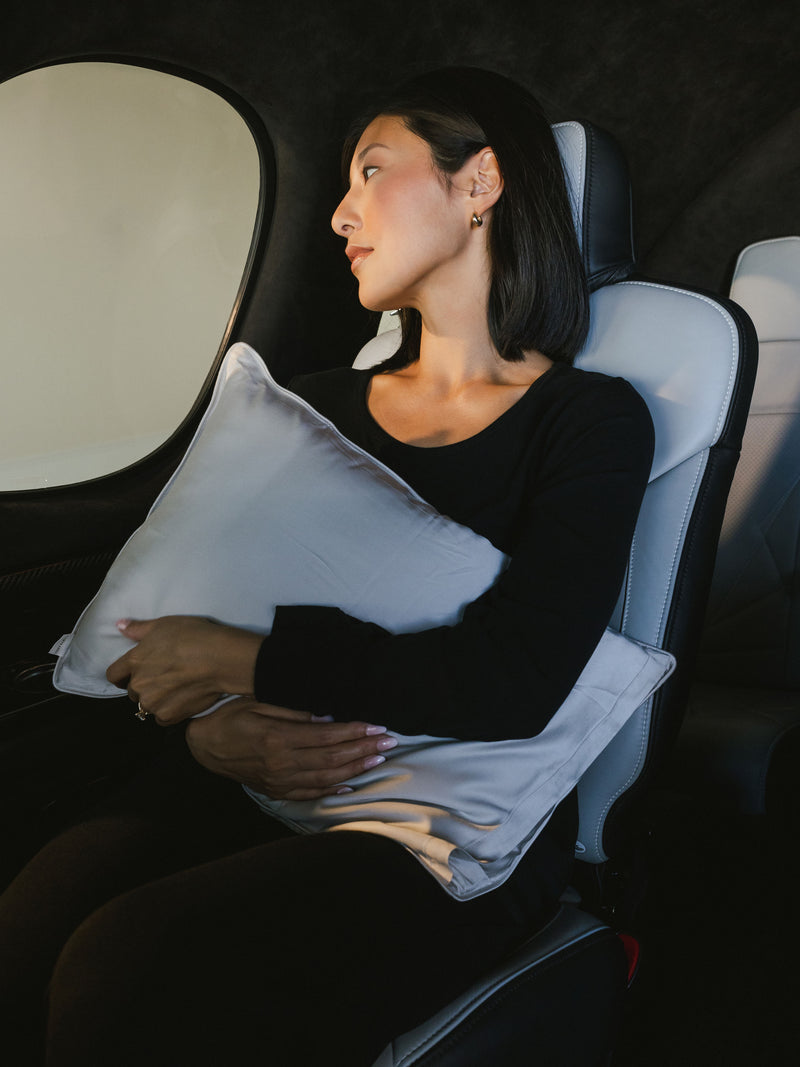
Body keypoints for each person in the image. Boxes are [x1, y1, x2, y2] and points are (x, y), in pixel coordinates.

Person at [0, 67, 654, 1065]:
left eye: (372, 171)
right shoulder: (306, 407)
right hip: (248, 778)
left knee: (127, 960)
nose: (342, 214)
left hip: (446, 832)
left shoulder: (589, 419)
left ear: (478, 182)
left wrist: (239, 657)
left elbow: (515, 676)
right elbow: (166, 627)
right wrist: (208, 731)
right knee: (27, 929)